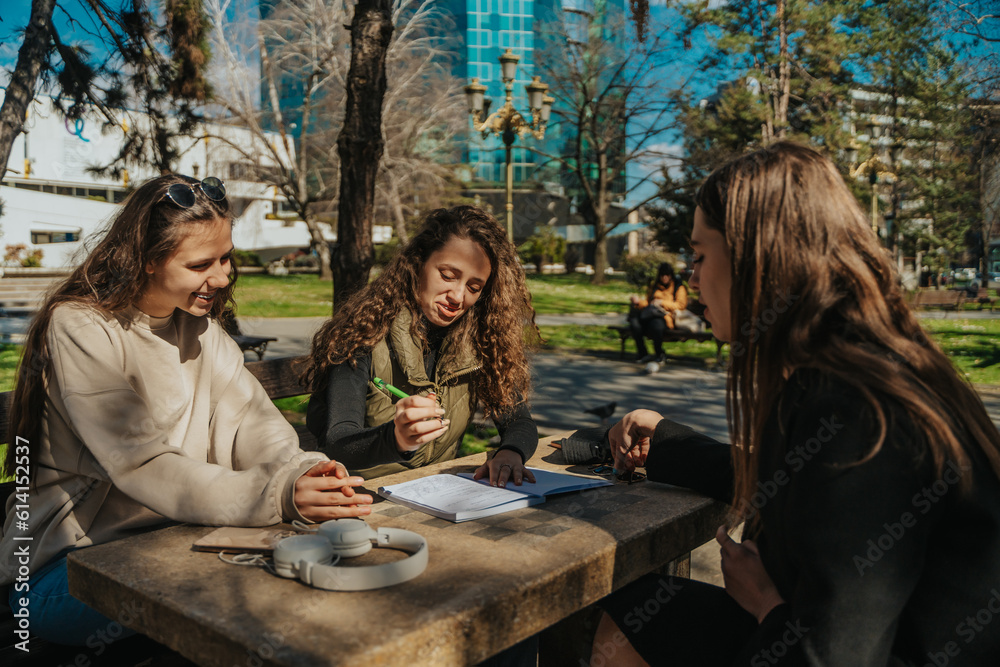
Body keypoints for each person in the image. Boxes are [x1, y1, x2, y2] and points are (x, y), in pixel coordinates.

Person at [593, 142, 1000, 666]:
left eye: (698, 255)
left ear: (755, 260)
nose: (691, 278)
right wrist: (663, 438)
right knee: (635, 609)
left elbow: (837, 655)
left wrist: (766, 606)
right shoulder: (857, 367)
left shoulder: (859, 413)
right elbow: (791, 475)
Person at [0, 175, 372, 647]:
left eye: (225, 257)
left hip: (171, 544)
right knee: (249, 595)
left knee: (304, 574)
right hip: (63, 572)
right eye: (201, 264)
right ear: (149, 261)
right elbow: (141, 464)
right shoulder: (80, 325)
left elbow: (255, 423)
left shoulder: (199, 328)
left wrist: (305, 471)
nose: (221, 277)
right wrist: (276, 494)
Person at [304, 206, 540, 487]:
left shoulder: (482, 341)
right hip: (361, 495)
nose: (458, 296)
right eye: (448, 275)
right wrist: (395, 439)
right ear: (418, 264)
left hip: (437, 491)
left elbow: (519, 421)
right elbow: (338, 442)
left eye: (474, 287)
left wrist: (510, 453)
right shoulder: (361, 334)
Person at [626, 262, 689, 363]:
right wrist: (638, 302)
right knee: (635, 323)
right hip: (650, 314)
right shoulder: (654, 286)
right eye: (662, 275)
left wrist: (662, 303)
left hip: (665, 317)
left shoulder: (678, 287)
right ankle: (643, 353)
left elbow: (680, 305)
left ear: (671, 275)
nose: (664, 278)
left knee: (656, 325)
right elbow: (648, 301)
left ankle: (659, 353)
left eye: (667, 275)